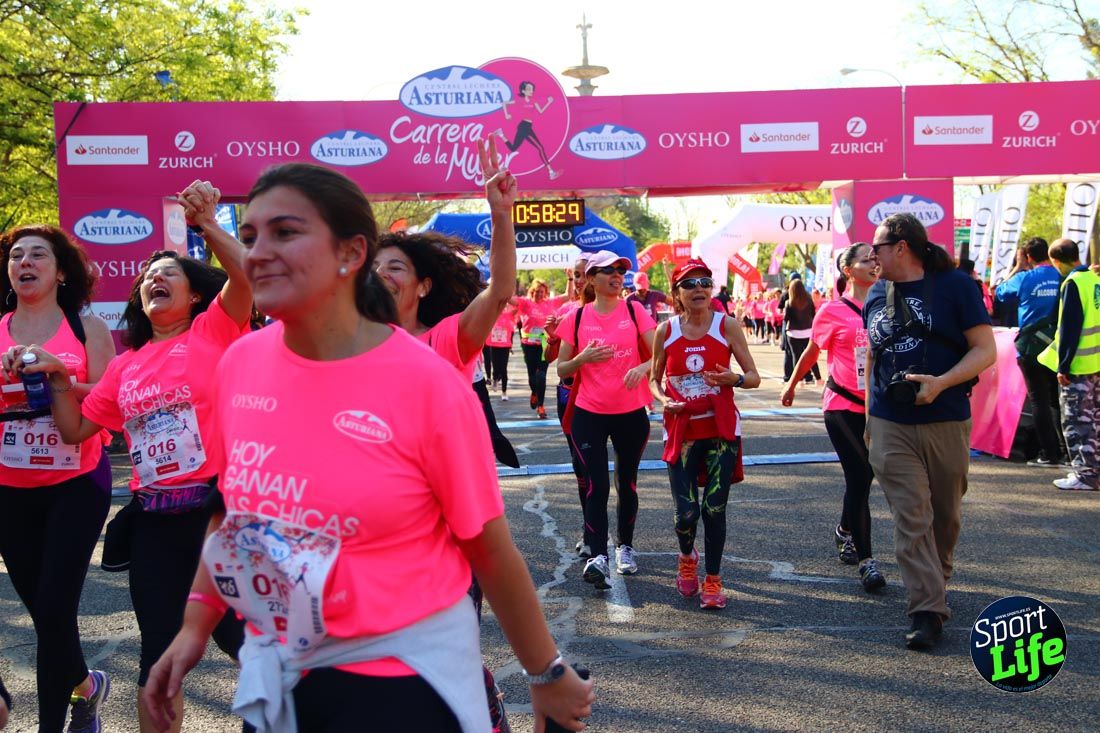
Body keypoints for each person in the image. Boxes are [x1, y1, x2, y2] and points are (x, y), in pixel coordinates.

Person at [141, 161, 594, 733]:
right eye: (251, 236)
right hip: (279, 675)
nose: (256, 253)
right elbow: (235, 511)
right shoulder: (241, 364)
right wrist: (195, 624)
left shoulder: (425, 381)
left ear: (351, 254)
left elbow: (489, 546)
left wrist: (545, 673)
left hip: (403, 681)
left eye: (285, 232)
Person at [8, 181, 253, 732]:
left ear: (194, 295)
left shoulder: (215, 329)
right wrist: (54, 375)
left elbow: (246, 276)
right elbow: (75, 431)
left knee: (250, 646)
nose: (154, 279)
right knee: (157, 665)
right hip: (156, 522)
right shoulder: (126, 365)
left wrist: (209, 224)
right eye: (146, 277)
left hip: (221, 514)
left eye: (168, 273)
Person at [0, 225, 115, 733]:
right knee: (46, 615)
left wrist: (57, 373)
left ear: (60, 270)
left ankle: (53, 725)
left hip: (77, 479)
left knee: (53, 604)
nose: (25, 261)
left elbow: (112, 397)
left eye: (38, 255)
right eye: (16, 255)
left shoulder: (87, 327)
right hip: (9, 487)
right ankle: (87, 688)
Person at [863, 213, 996, 650]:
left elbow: (985, 350)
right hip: (889, 421)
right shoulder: (875, 294)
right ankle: (927, 610)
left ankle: (935, 580)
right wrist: (869, 418)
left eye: (877, 247)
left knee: (945, 514)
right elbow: (872, 359)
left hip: (946, 418)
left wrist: (941, 383)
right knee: (912, 516)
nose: (871, 254)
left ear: (901, 246)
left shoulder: (957, 286)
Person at [649, 259, 760, 609]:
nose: (699, 289)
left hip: (720, 430)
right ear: (677, 294)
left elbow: (753, 376)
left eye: (705, 283)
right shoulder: (666, 331)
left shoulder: (726, 325)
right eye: (690, 283)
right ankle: (686, 557)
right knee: (686, 514)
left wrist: (735, 379)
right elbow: (654, 379)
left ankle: (713, 579)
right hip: (682, 432)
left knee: (714, 508)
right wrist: (664, 399)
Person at [781, 244, 886, 592]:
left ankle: (844, 530)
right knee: (860, 473)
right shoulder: (832, 311)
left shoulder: (887, 306)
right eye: (866, 260)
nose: (874, 264)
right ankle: (867, 561)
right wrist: (792, 385)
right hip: (841, 404)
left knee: (863, 477)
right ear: (847, 270)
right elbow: (812, 351)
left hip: (879, 406)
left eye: (876, 259)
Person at [557, 250, 657, 589]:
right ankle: (597, 554)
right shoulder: (577, 317)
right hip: (589, 413)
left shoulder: (635, 309)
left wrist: (643, 367)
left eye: (620, 270)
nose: (617, 275)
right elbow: (560, 368)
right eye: (608, 271)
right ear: (591, 279)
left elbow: (661, 355)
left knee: (625, 484)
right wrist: (582, 357)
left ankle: (625, 547)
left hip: (630, 413)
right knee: (596, 485)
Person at [994, 237, 1067, 467]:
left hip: (1031, 347)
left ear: (1028, 257)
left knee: (1039, 401)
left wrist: (1016, 267)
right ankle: (1068, 452)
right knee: (1057, 400)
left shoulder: (1025, 278)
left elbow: (999, 293)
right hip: (1058, 346)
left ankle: (1049, 454)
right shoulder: (1063, 277)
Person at [1038, 238, 1100, 491]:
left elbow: (1069, 328)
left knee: (1076, 421)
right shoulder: (1094, 280)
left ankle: (1085, 475)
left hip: (1078, 365)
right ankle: (1093, 471)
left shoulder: (1073, 282)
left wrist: (1063, 365)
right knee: (1094, 421)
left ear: (1056, 260)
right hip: (1095, 362)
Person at [544, 257, 593, 557]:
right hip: (569, 393)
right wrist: (551, 338)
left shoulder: (617, 309)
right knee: (581, 468)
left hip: (606, 396)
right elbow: (551, 359)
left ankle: (623, 543)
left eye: (585, 275)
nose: (579, 281)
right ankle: (590, 531)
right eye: (576, 275)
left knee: (611, 472)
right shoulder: (564, 311)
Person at [514, 280, 567, 419]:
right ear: (532, 291)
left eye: (541, 292)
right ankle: (534, 392)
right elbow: (508, 299)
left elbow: (568, 295)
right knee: (532, 376)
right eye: (536, 291)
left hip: (544, 343)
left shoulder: (550, 303)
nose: (539, 294)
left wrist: (570, 279)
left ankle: (541, 406)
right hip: (528, 344)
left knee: (541, 376)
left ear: (545, 293)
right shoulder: (525, 303)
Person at [495, 80, 561, 180]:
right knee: (540, 148)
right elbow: (505, 103)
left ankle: (500, 134)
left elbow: (541, 111)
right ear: (523, 91)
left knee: (513, 148)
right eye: (529, 89)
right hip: (524, 127)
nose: (531, 91)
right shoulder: (519, 100)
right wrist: (506, 114)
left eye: (532, 89)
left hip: (527, 127)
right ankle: (551, 171)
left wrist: (549, 102)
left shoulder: (533, 100)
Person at [783, 279, 820, 384]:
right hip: (808, 331)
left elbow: (786, 318)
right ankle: (818, 379)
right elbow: (813, 313)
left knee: (796, 356)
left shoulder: (789, 302)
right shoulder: (809, 300)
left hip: (793, 333)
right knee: (811, 356)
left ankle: (800, 380)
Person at [484, 301, 517, 400]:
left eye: (503, 305)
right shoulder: (490, 315)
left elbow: (519, 306)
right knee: (496, 367)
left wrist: (508, 298)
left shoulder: (508, 315)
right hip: (494, 345)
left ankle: (504, 392)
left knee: (503, 369)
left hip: (505, 346)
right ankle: (494, 379)